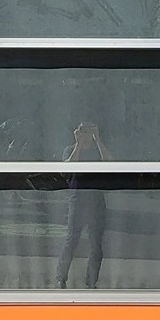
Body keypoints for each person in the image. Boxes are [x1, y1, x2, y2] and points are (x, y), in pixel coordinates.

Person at [55, 122, 110, 289]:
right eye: (83, 131)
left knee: (96, 244)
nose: (86, 134)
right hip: (77, 199)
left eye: (89, 131)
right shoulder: (70, 150)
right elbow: (65, 171)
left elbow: (111, 165)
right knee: (71, 239)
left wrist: (98, 140)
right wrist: (78, 145)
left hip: (96, 200)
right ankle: (61, 278)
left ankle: (91, 281)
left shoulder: (97, 150)